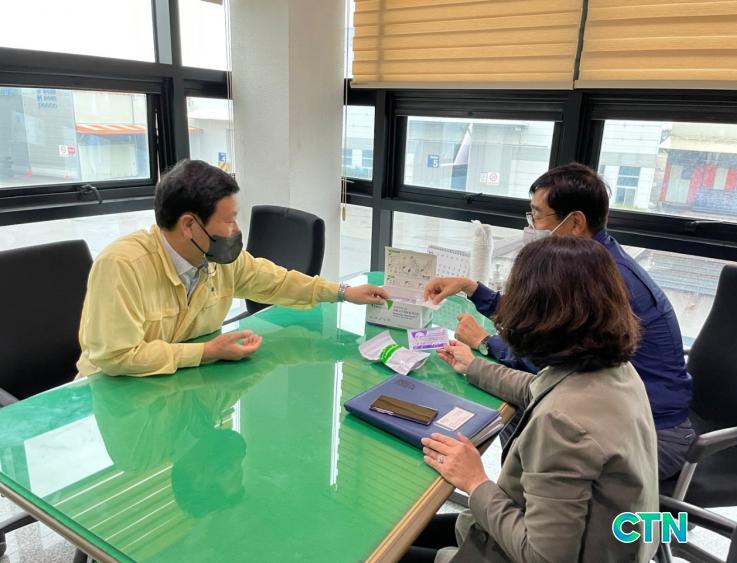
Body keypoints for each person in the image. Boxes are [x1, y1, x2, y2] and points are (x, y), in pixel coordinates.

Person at [423, 163, 693, 480]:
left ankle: (514, 494)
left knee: (523, 418)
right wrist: (473, 289)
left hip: (650, 432)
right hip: (620, 409)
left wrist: (486, 343)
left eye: (538, 216)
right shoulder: (592, 263)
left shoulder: (601, 282)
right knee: (517, 412)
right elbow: (542, 322)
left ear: (575, 222)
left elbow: (549, 367)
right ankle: (513, 492)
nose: (532, 227)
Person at [404, 236, 658, 563]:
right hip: (614, 539)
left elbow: (544, 557)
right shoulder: (616, 369)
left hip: (537, 549)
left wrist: (474, 480)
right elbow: (539, 388)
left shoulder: (562, 424)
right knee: (413, 532)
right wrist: (473, 366)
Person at [76, 159, 388, 378]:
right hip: (109, 395)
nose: (236, 230)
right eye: (228, 221)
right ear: (189, 225)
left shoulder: (218, 260)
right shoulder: (122, 266)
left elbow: (278, 282)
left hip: (177, 386)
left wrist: (343, 292)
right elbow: (117, 356)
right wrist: (207, 352)